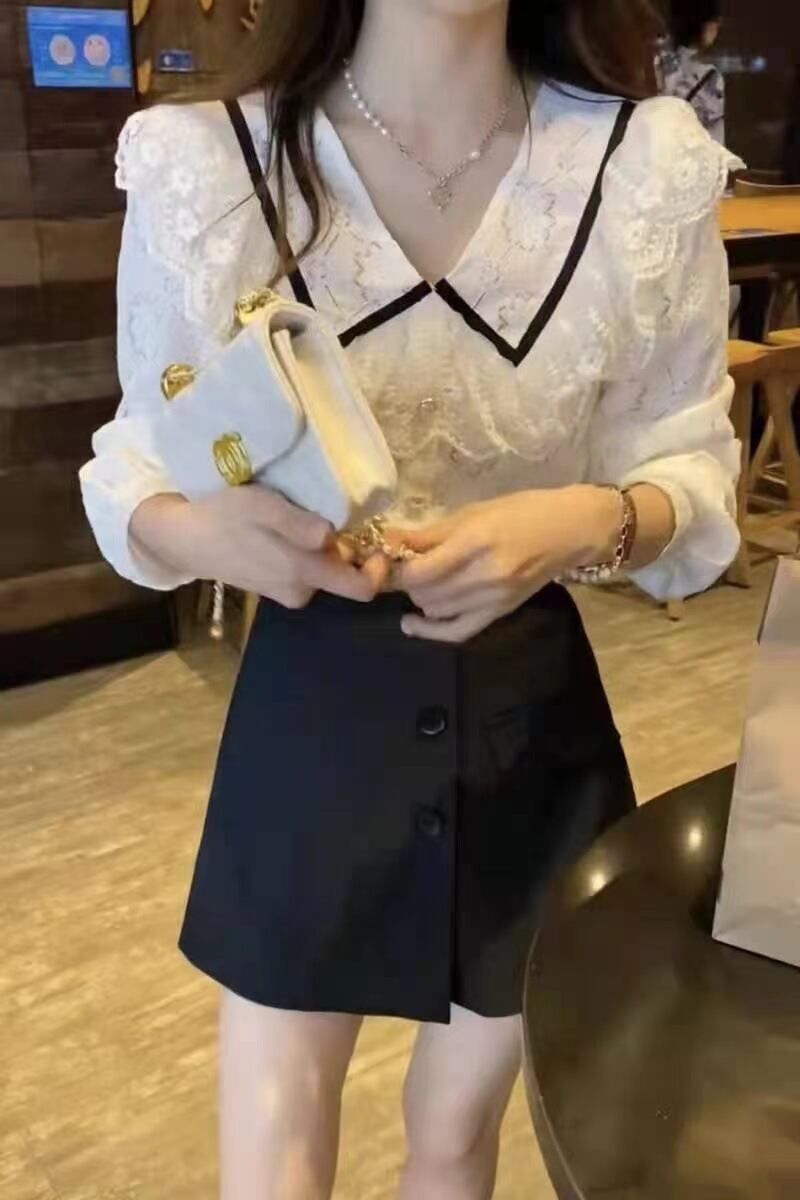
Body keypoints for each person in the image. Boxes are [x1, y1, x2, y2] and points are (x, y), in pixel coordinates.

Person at [80, 1, 743, 1196]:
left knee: (455, 1134)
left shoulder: (644, 167)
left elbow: (688, 466)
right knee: (274, 1156)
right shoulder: (207, 163)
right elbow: (136, 458)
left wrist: (585, 519)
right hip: (312, 716)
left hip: (529, 726)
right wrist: (204, 531)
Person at [657, 1, 726, 143]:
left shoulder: (652, 59)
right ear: (706, 25)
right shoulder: (709, 76)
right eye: (715, 21)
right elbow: (714, 141)